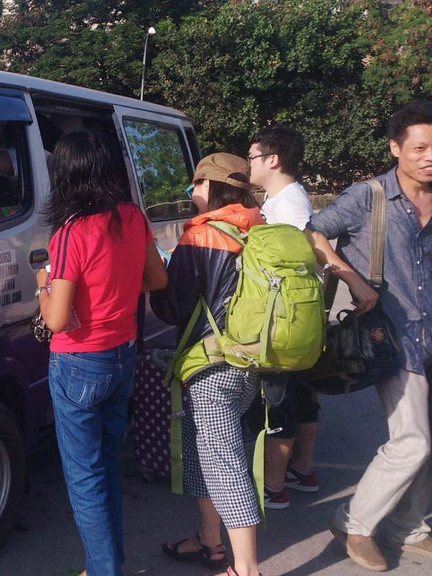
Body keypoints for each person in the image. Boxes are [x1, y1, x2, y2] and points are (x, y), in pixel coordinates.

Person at [35, 130, 167, 576]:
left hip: (78, 362)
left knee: (84, 477)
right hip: (121, 353)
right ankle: (104, 564)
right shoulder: (131, 216)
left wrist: (42, 286)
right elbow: (157, 279)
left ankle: (105, 570)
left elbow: (55, 319)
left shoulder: (71, 233)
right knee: (106, 464)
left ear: (65, 176)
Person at [308, 101, 432, 572]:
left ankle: (409, 525)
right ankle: (353, 521)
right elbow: (312, 232)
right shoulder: (370, 196)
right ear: (395, 148)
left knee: (429, 438)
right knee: (413, 441)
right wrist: (353, 278)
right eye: (419, 147)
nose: (428, 156)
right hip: (392, 338)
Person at [152, 153, 265, 576]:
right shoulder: (256, 227)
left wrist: (158, 277)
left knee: (224, 461)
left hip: (211, 365)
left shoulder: (202, 237)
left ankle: (247, 568)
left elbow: (173, 306)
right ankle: (210, 542)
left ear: (211, 187)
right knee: (202, 452)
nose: (191, 193)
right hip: (249, 361)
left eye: (195, 185)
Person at [244, 124, 321, 511]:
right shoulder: (288, 198)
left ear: (273, 160)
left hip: (284, 320)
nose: (249, 164)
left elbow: (292, 263)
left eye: (253, 156)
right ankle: (302, 471)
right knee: (302, 394)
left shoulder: (287, 205)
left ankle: (274, 486)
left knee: (279, 402)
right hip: (299, 319)